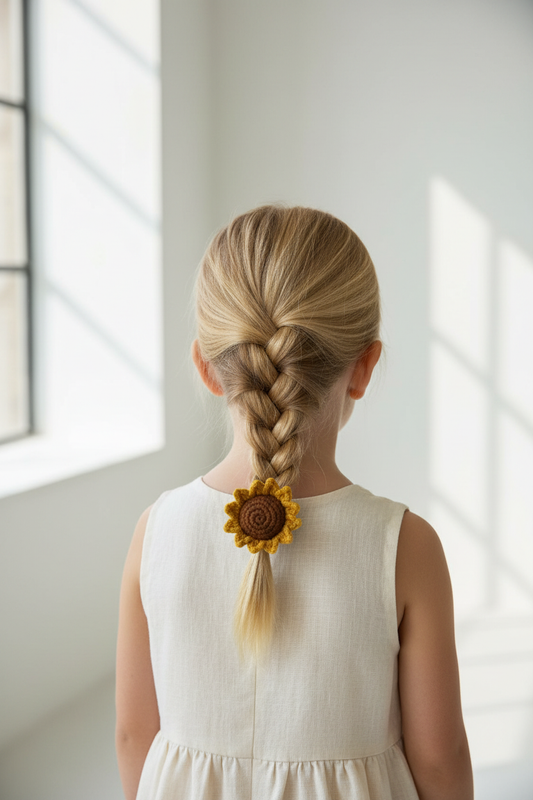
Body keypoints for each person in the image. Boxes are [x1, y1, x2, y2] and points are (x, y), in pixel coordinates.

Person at [115, 205, 474, 800]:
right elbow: (439, 760)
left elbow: (134, 737)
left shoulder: (155, 532)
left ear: (207, 366)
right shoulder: (405, 546)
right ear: (363, 368)